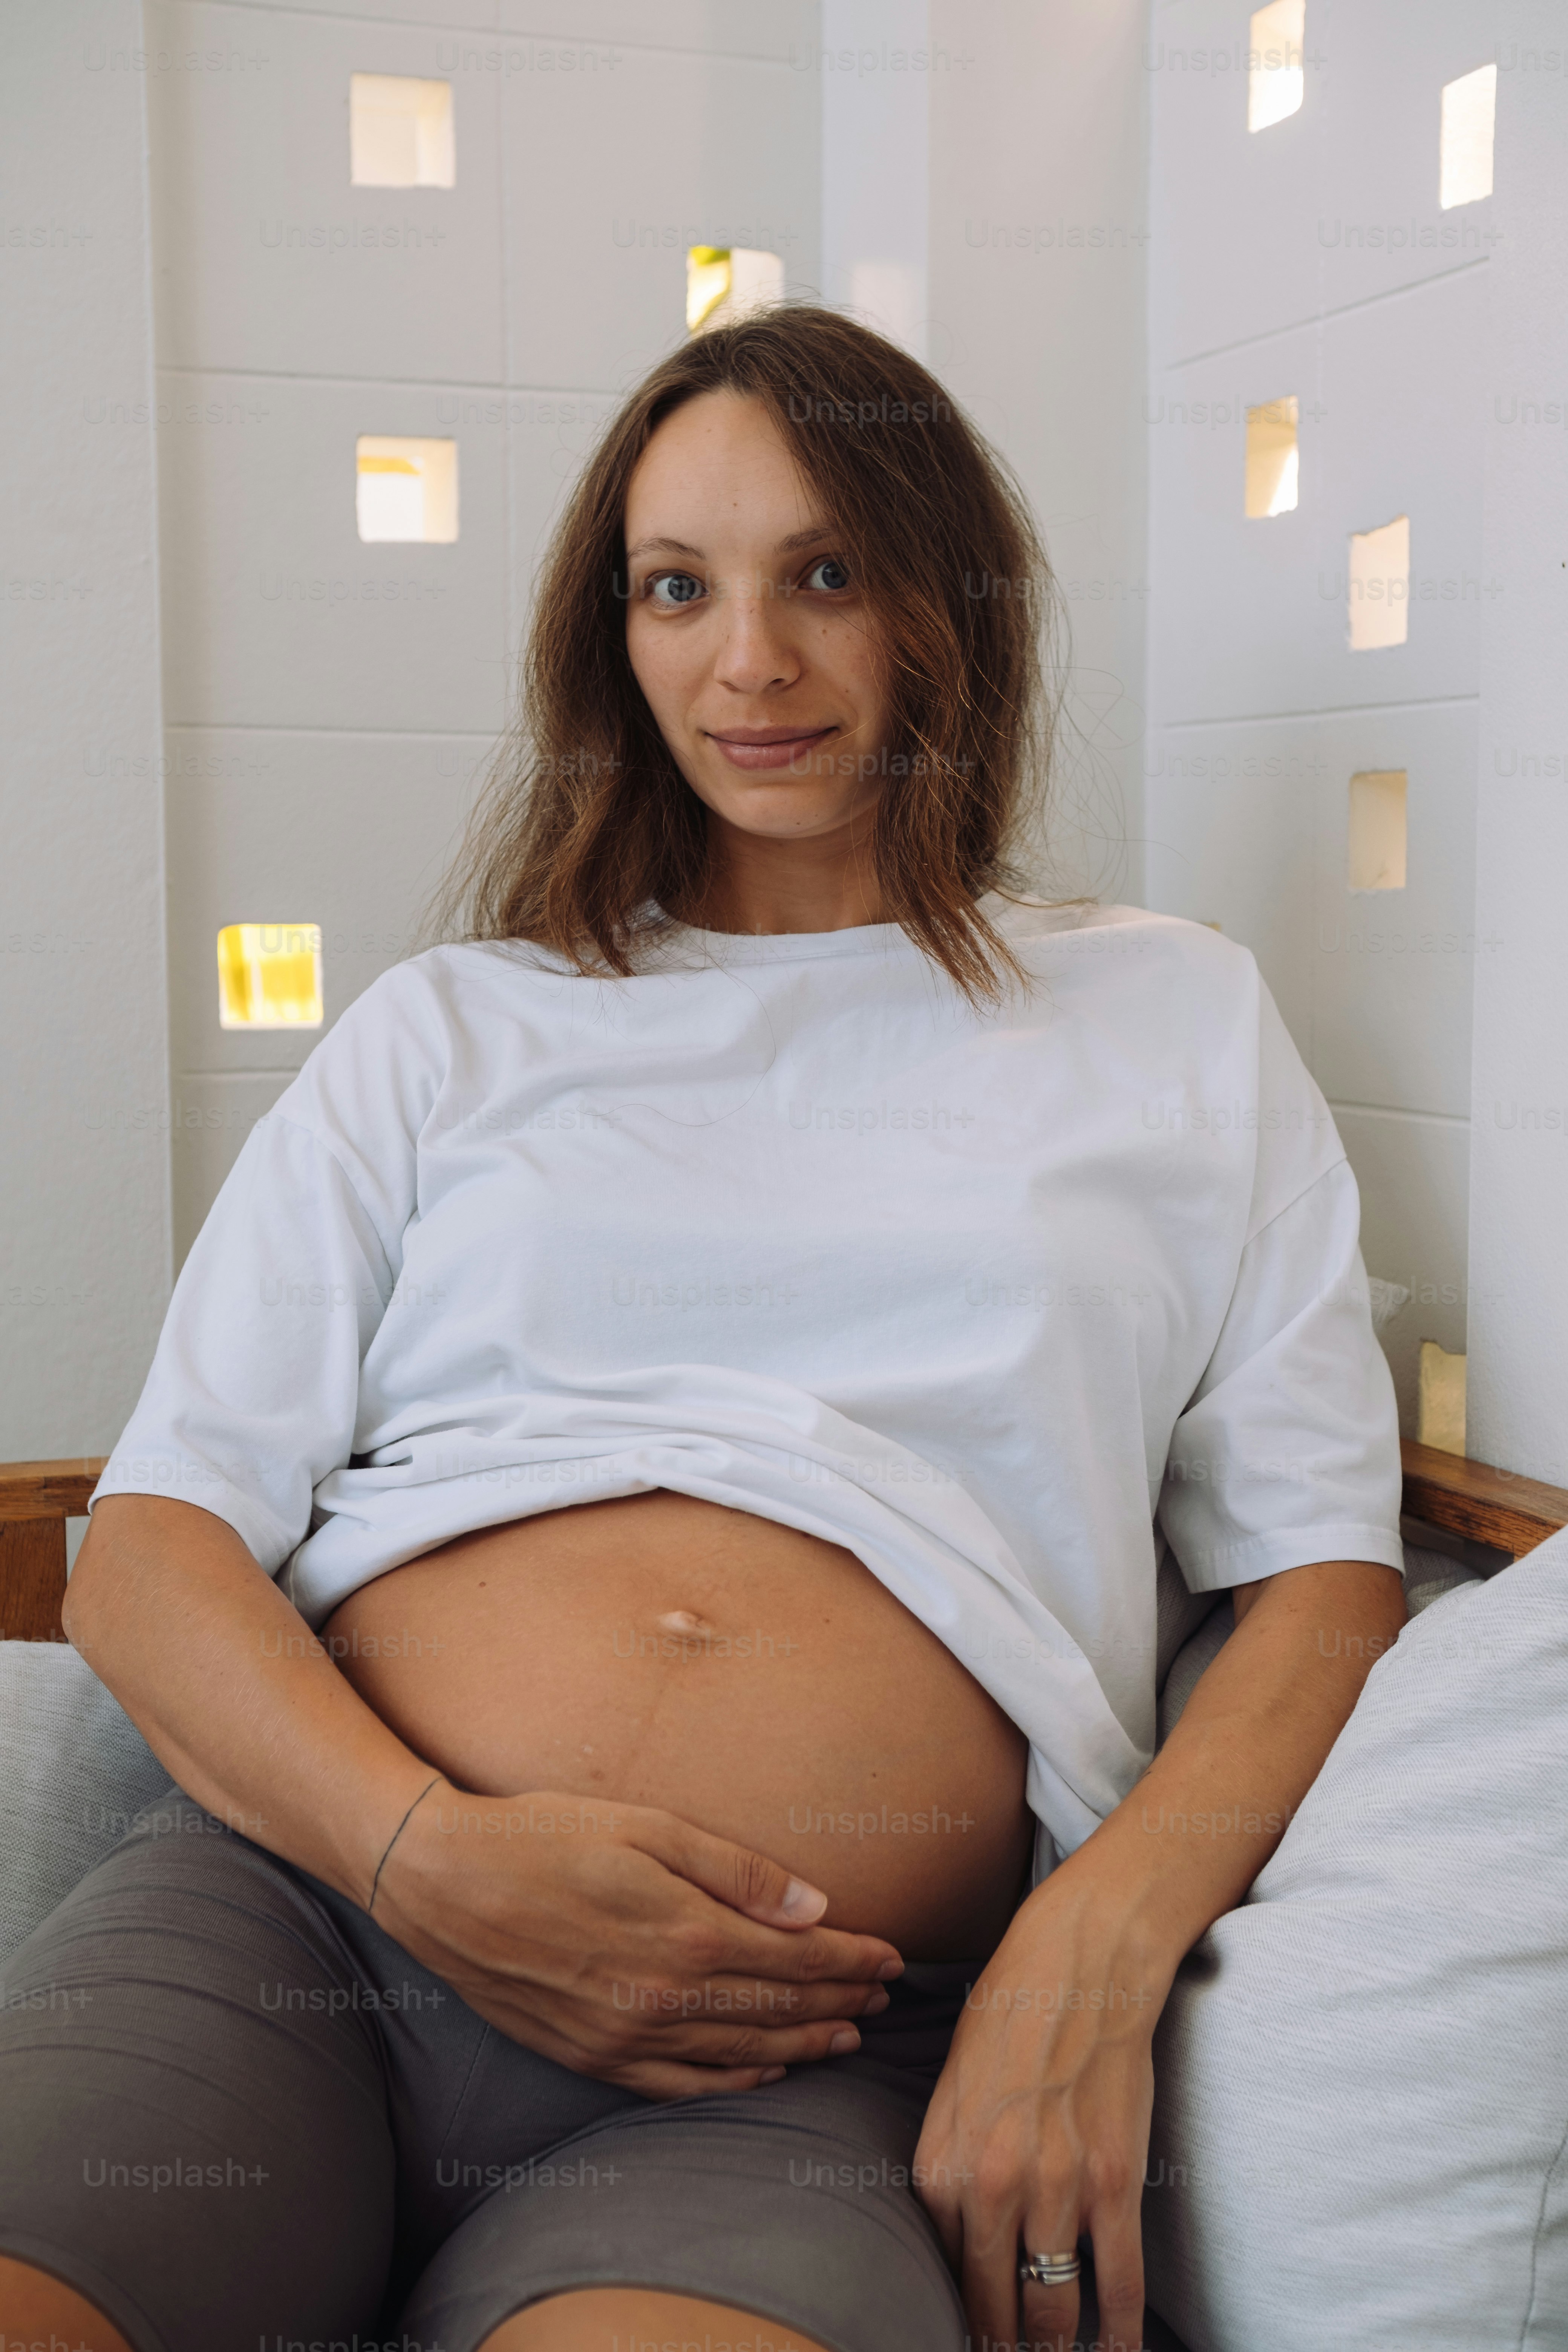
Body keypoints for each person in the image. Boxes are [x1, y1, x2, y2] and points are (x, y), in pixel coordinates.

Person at [0, 307, 1406, 2352]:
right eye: (681, 588)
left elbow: (1318, 1578)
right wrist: (427, 1862)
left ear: (948, 604)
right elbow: (148, 1546)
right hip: (305, 1933)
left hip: (806, 2038)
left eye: (824, 573)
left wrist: (1090, 1949)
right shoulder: (455, 1030)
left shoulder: (1172, 1021)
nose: (747, 660)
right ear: (616, 635)